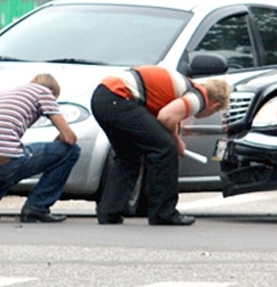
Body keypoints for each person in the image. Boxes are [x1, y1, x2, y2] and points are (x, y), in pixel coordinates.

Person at [91, 65, 231, 226]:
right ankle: (163, 213)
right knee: (165, 149)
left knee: (129, 156)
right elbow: (166, 118)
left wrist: (175, 139)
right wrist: (176, 142)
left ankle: (110, 211)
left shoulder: (185, 88)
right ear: (214, 105)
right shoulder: (200, 96)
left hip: (103, 97)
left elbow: (166, 119)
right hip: (119, 97)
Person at [0, 73, 81, 223]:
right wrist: (59, 146)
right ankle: (37, 207)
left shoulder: (4, 93)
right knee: (72, 151)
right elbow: (70, 138)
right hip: (9, 163)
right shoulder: (45, 93)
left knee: (15, 153)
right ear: (53, 93)